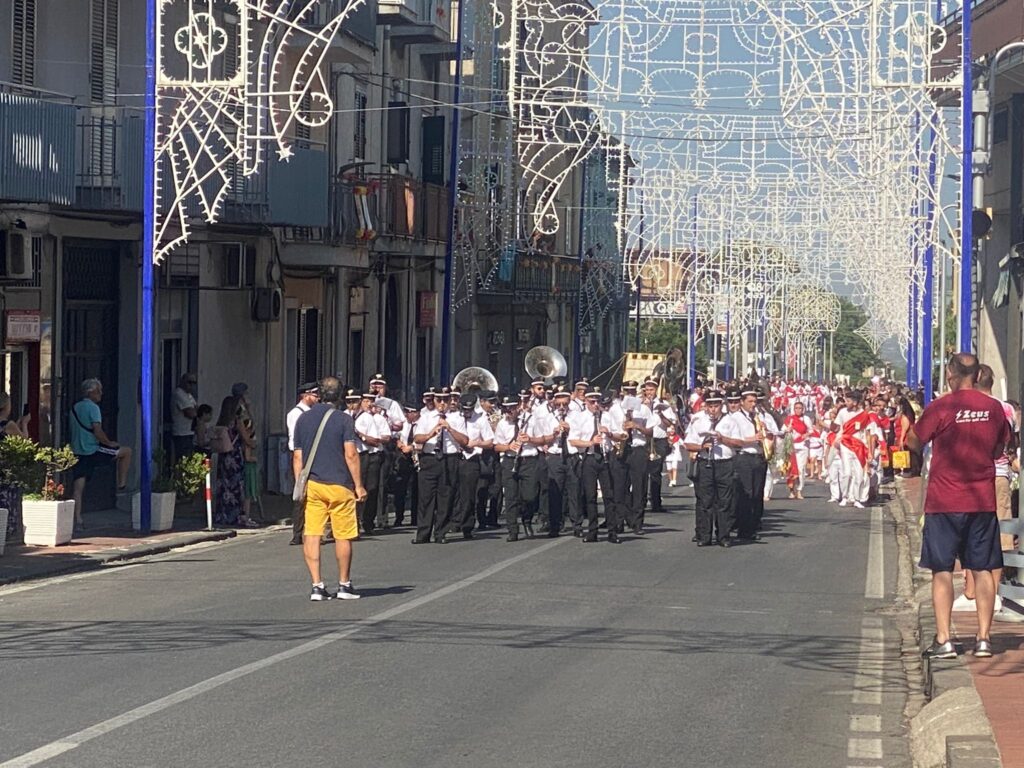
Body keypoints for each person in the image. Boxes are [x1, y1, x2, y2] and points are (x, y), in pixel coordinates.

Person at [909, 354, 1010, 659]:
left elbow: (913, 440)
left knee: (942, 570)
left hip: (944, 501)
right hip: (981, 500)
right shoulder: (994, 408)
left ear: (950, 374)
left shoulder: (941, 406)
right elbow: (999, 448)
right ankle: (983, 639)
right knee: (982, 569)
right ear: (978, 375)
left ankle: (944, 639)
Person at [293, 376, 367, 601]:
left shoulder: (303, 419)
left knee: (312, 533)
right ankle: (344, 584)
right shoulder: (343, 420)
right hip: (340, 483)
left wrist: (299, 484)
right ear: (341, 395)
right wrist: (359, 485)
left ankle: (317, 585)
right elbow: (351, 454)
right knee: (343, 535)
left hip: (314, 484)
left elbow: (297, 456)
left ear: (319, 394)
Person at [69, 378, 132, 528]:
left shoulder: (75, 407)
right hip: (92, 449)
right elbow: (97, 431)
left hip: (77, 451)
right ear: (90, 392)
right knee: (126, 451)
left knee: (78, 487)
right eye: (98, 391)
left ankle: (77, 518)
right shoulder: (94, 408)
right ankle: (121, 485)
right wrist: (109, 443)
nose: (101, 394)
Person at [683, 392, 735, 547]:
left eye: (716, 406)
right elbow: (688, 444)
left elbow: (739, 442)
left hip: (724, 463)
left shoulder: (730, 420)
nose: (713, 409)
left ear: (721, 405)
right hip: (705, 462)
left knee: (724, 501)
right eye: (710, 406)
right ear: (705, 406)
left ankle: (723, 536)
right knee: (705, 501)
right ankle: (704, 536)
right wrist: (701, 446)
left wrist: (722, 439)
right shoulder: (698, 421)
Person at [214, 387, 258, 528]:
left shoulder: (222, 421)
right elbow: (247, 435)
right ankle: (238, 516)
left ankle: (223, 515)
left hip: (224, 455)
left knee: (224, 486)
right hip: (235, 455)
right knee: (237, 486)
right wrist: (252, 443)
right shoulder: (237, 421)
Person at [286, 382, 320, 546]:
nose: (317, 398)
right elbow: (295, 440)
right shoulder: (296, 414)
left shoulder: (313, 413)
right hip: (301, 455)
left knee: (315, 493)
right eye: (314, 395)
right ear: (305, 395)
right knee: (300, 493)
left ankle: (313, 530)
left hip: (313, 454)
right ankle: (297, 533)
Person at [0, 391, 30, 540]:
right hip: (6, 466)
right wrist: (24, 424)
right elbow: (24, 440)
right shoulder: (8, 424)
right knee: (8, 497)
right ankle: (7, 528)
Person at [171, 373, 198, 462]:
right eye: (189, 382)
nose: (192, 385)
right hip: (181, 433)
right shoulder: (179, 393)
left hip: (189, 432)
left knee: (189, 460)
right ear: (183, 381)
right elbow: (191, 413)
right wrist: (195, 411)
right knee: (183, 460)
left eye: (194, 383)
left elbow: (198, 410)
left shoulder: (189, 396)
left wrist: (195, 411)